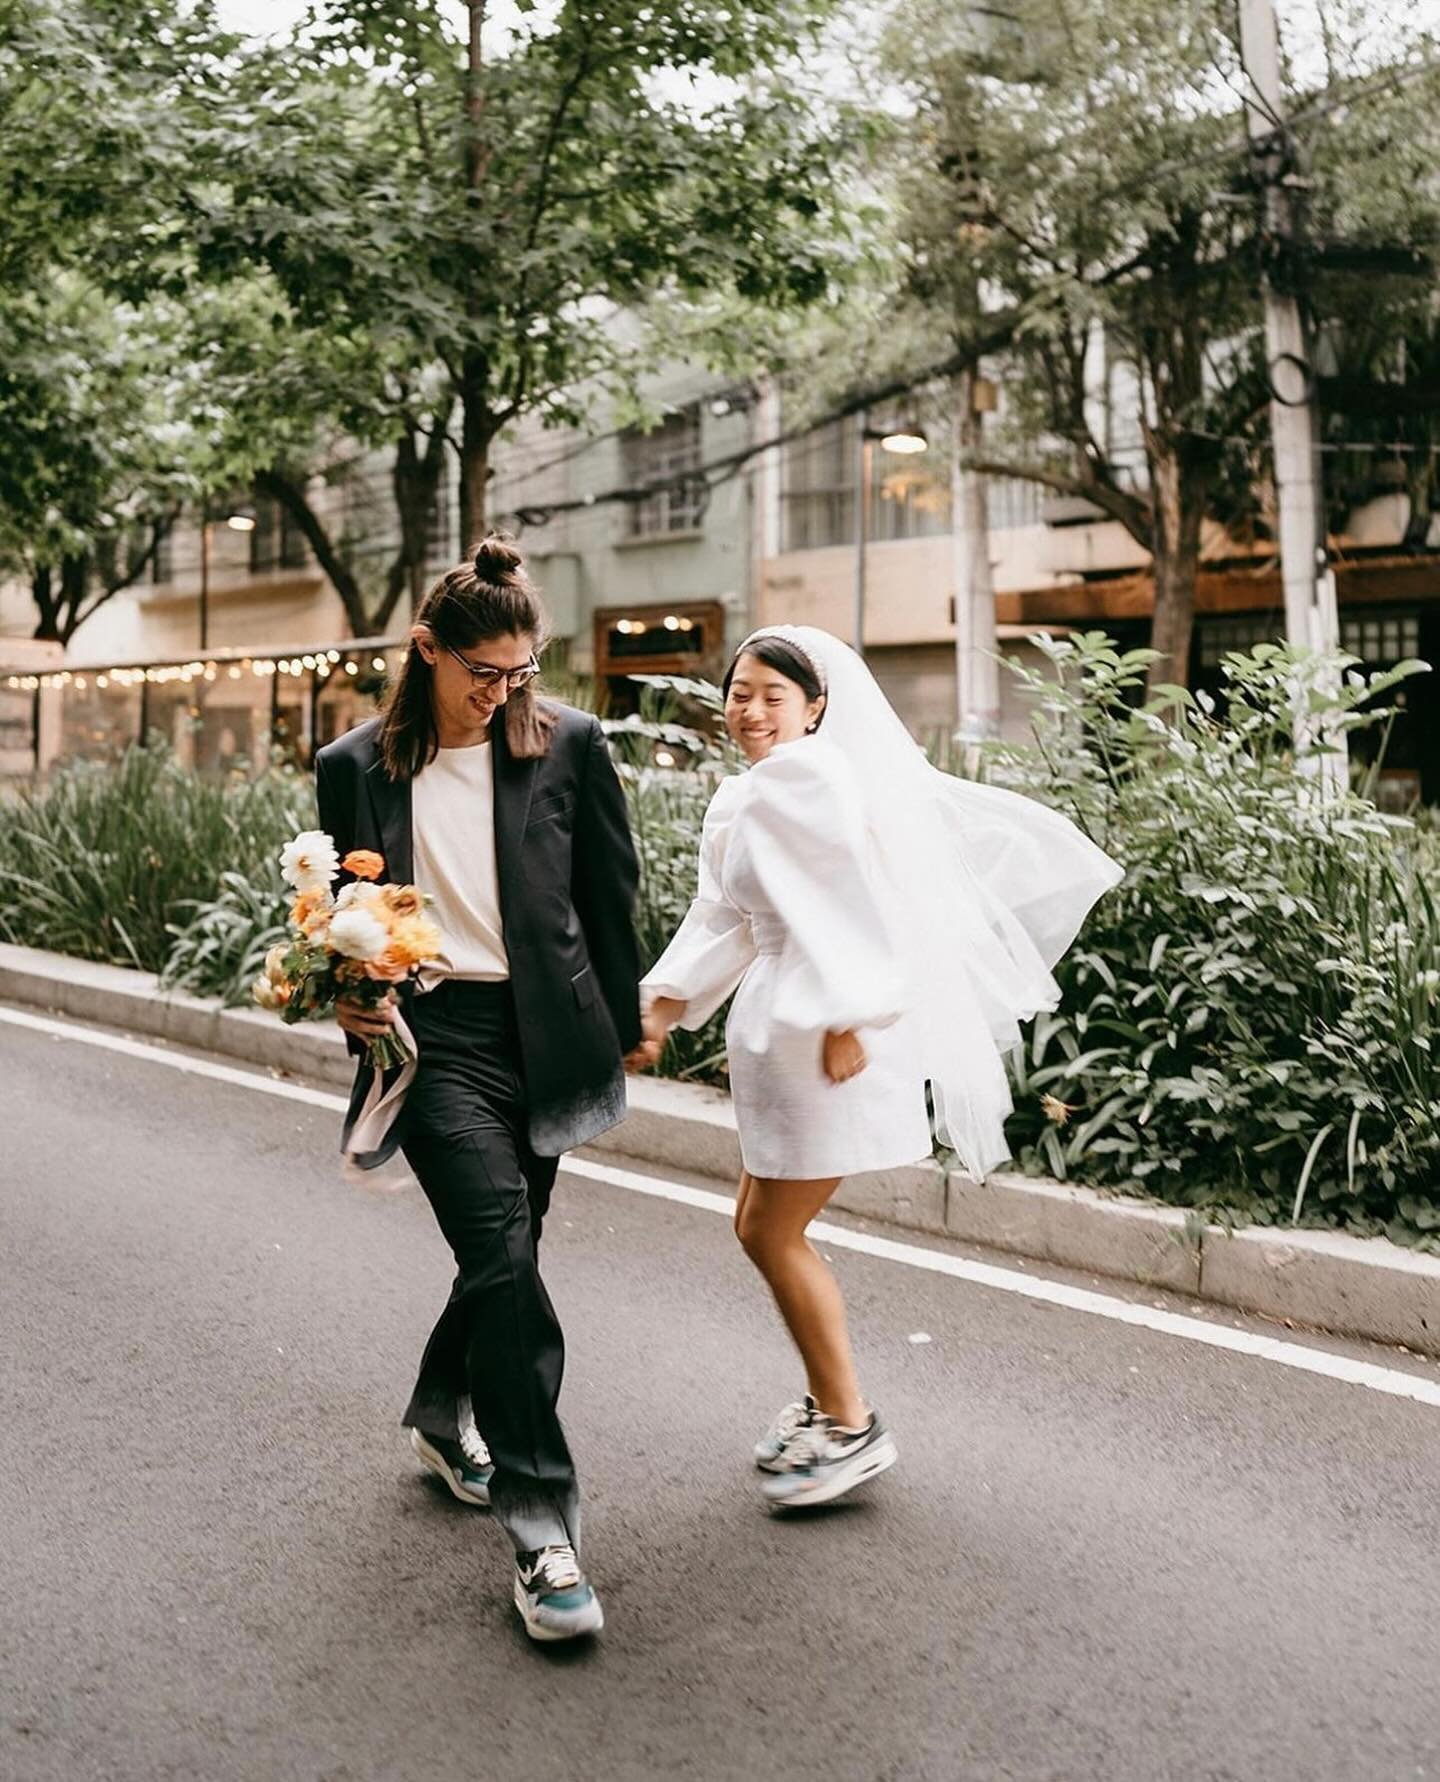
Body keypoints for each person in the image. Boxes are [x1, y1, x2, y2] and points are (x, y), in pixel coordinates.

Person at [637, 625, 1122, 1510]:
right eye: (739, 693)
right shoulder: (755, 792)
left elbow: (859, 901)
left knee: (770, 1231)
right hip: (785, 1027)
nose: (749, 710)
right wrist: (663, 1003)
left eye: (770, 696)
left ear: (816, 708)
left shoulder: (808, 779)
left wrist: (853, 1008)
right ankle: (831, 1406)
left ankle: (851, 1422)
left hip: (822, 1031)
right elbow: (729, 920)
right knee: (758, 1222)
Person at [314, 535, 642, 1642]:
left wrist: (630, 1028)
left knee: (509, 1253)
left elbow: (609, 900)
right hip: (433, 1037)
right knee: (501, 1247)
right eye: (481, 675)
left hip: (542, 1036)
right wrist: (345, 995)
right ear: (427, 651)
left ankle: (440, 1415)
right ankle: (542, 1526)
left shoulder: (570, 748)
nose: (502, 696)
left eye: (520, 675)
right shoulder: (356, 765)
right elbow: (332, 921)